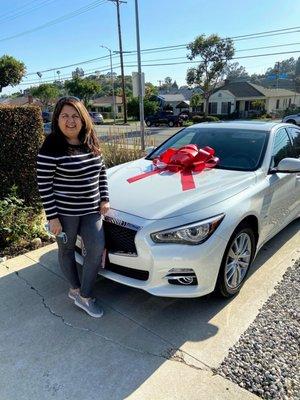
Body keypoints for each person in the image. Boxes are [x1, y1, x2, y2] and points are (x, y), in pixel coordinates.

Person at [37, 96, 109, 318]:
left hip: (91, 211)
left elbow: (102, 171)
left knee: (96, 248)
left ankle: (84, 295)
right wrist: (52, 217)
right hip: (65, 214)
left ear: (83, 118)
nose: (70, 120)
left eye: (75, 115)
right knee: (66, 250)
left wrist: (104, 198)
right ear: (57, 119)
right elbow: (44, 183)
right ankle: (75, 290)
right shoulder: (51, 146)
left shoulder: (90, 140)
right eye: (65, 116)